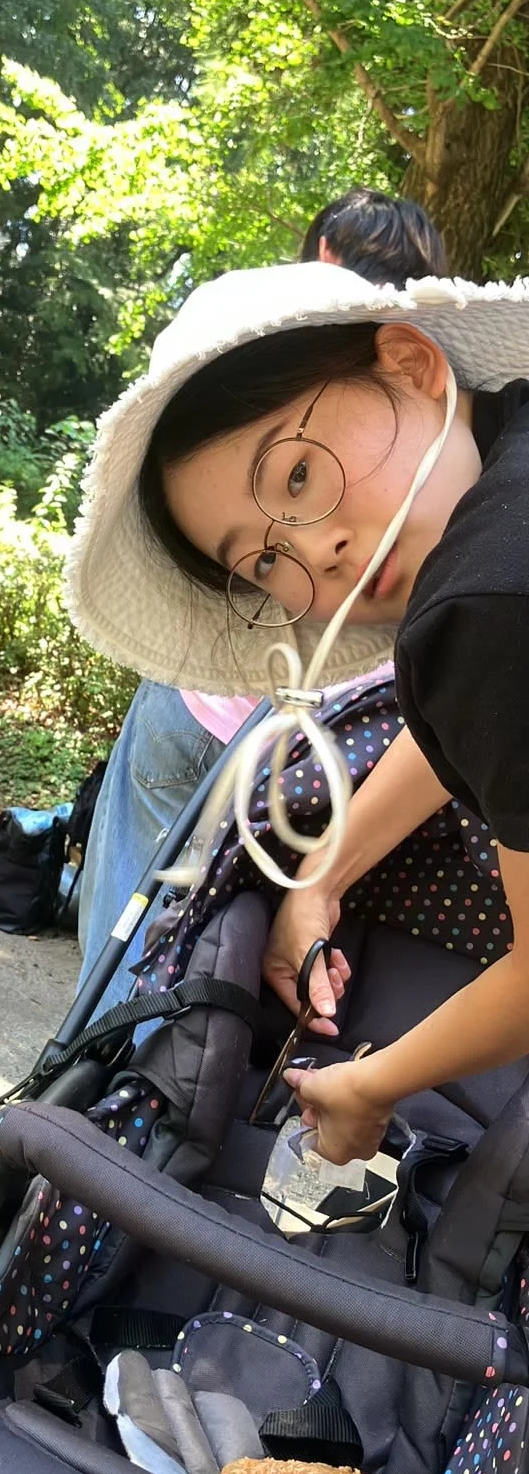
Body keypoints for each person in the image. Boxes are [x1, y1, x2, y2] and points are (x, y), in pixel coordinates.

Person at [67, 254, 529, 1173]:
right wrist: (320, 874)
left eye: (297, 477)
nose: (323, 556)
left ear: (411, 363)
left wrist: (367, 1086)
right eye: (267, 566)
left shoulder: (479, 605)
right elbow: (481, 721)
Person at [76, 188, 446, 1015]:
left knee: (125, 930)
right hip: (334, 757)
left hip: (201, 704)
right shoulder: (426, 459)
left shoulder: (234, 326)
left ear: (319, 257)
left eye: (301, 474)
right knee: (237, 973)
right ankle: (168, 1115)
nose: (312, 546)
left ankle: (91, 1096)